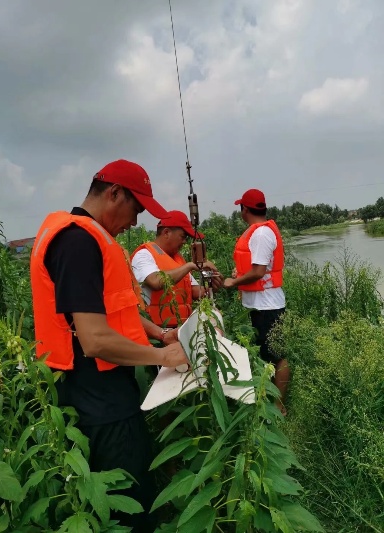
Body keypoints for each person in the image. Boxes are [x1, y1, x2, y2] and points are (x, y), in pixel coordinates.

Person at [30, 159, 189, 532]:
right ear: (114, 193)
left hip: (104, 390)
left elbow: (116, 312)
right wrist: (162, 356)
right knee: (128, 506)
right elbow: (95, 339)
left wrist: (158, 332)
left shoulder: (90, 239)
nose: (136, 222)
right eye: (136, 209)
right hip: (97, 399)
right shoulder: (78, 242)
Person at [223, 189, 289, 416]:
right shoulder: (259, 232)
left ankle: (279, 406)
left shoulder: (260, 235)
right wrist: (240, 273)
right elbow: (256, 268)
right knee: (265, 354)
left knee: (277, 356)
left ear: (245, 210)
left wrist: (233, 282)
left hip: (267, 306)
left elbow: (259, 271)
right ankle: (265, 398)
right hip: (260, 305)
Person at [131, 210, 222, 327]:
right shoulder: (144, 255)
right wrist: (190, 265)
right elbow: (155, 281)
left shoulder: (178, 260)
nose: (184, 242)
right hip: (156, 328)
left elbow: (194, 292)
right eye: (182, 237)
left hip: (180, 326)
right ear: (166, 233)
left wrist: (211, 286)